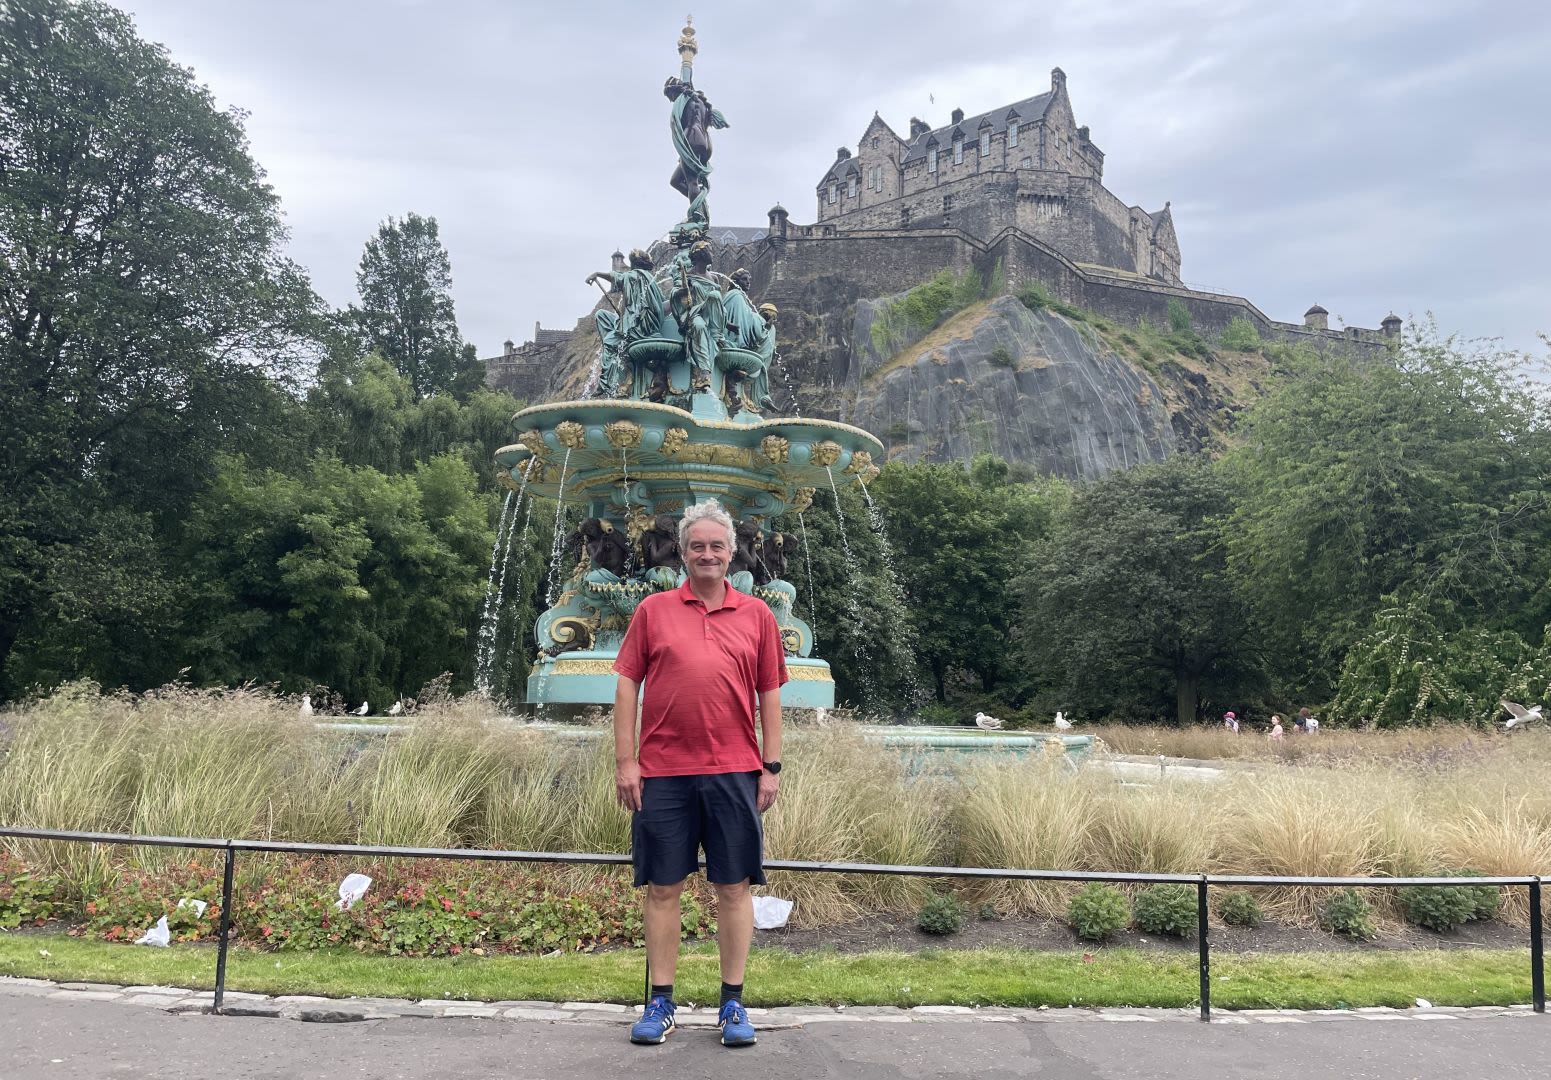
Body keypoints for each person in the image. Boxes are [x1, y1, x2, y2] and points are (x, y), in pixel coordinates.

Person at [613, 499, 788, 1048]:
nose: (707, 554)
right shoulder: (653, 611)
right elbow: (625, 686)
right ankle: (659, 1003)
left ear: (732, 553)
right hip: (663, 773)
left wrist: (771, 766)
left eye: (717, 546)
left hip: (735, 771)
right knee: (663, 888)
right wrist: (626, 761)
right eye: (697, 546)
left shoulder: (758, 615)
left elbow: (770, 695)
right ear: (683, 553)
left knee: (733, 888)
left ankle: (732, 1004)